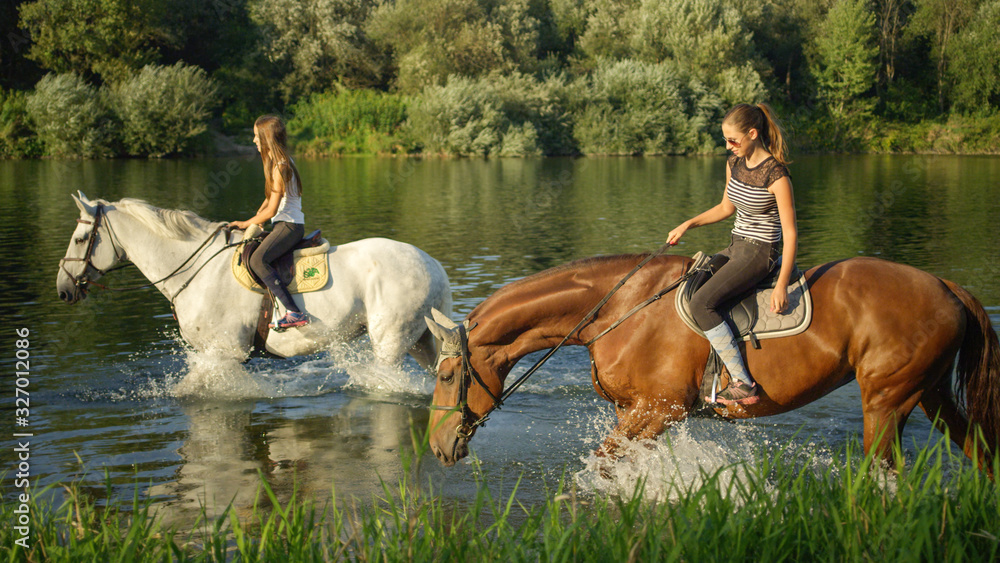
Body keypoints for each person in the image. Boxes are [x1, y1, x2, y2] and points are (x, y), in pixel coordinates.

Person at [666, 103, 797, 405]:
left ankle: (744, 383)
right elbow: (726, 208)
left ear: (753, 134)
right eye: (725, 140)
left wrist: (781, 285)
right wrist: (687, 224)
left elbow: (790, 234)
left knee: (702, 303)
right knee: (689, 287)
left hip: (761, 252)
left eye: (733, 140)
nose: (728, 146)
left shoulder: (776, 176)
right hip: (736, 244)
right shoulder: (734, 164)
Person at [229, 115, 310, 330]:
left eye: (257, 136)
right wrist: (257, 217)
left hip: (289, 226)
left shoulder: (281, 167)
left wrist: (247, 223)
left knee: (257, 260)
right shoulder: (278, 163)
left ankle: (295, 312)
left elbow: (273, 209)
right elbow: (268, 200)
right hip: (283, 224)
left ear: (267, 138)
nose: (254, 141)